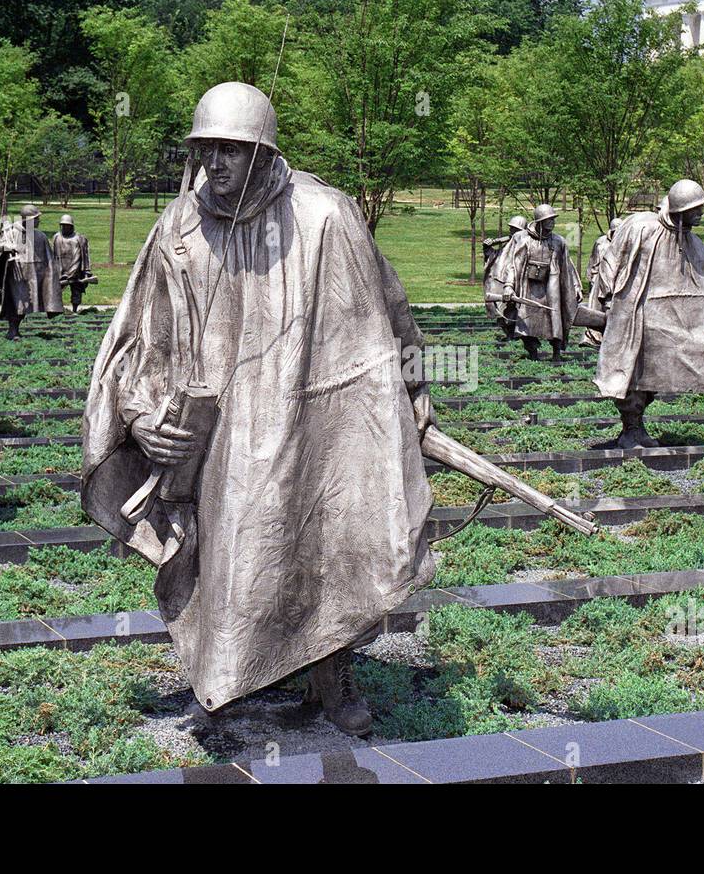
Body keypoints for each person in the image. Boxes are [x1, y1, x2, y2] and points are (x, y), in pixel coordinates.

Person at [81, 82, 437, 736]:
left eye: (231, 150)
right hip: (218, 434)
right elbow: (142, 334)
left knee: (325, 540)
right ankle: (219, 681)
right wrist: (137, 414)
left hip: (314, 415)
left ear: (264, 152)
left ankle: (332, 677)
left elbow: (390, 308)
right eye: (206, 149)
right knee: (224, 554)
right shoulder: (179, 228)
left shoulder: (324, 215)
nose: (215, 163)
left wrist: (413, 392)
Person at [595, 180, 704, 449]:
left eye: (702, 209)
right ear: (680, 210)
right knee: (633, 374)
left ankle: (636, 428)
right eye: (695, 210)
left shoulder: (692, 242)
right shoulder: (641, 227)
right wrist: (607, 298)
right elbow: (611, 261)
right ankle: (631, 429)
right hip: (637, 314)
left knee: (657, 374)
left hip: (670, 321)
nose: (700, 215)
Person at [492, 203, 581, 361]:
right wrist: (508, 286)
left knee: (556, 317)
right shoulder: (522, 239)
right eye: (548, 220)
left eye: (553, 219)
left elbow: (568, 266)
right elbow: (514, 265)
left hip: (551, 283)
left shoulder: (558, 241)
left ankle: (556, 353)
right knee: (525, 320)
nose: (552, 222)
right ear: (539, 221)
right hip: (527, 284)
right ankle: (533, 352)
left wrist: (575, 286)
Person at [0, 202, 63, 338]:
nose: (39, 221)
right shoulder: (11, 233)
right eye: (36, 218)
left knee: (26, 304)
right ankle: (13, 330)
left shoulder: (40, 236)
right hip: (16, 274)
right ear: (29, 220)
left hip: (34, 275)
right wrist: (4, 247)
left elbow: (49, 260)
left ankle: (14, 330)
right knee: (18, 302)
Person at [483, 215, 527, 341]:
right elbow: (495, 258)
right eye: (511, 229)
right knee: (500, 311)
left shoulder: (524, 246)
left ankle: (518, 335)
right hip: (501, 282)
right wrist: (487, 249)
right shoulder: (507, 246)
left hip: (517, 285)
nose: (512, 232)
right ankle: (509, 335)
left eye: (516, 230)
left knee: (514, 311)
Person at [581, 216, 623, 346]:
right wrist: (592, 278)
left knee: (614, 310)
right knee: (597, 309)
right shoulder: (601, 243)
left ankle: (613, 339)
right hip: (600, 280)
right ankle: (594, 337)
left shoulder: (626, 243)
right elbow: (593, 262)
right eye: (615, 231)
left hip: (618, 281)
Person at [53, 214, 94, 313]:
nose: (65, 227)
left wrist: (84, 271)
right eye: (63, 225)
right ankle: (57, 310)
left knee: (76, 291)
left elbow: (83, 255)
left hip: (76, 271)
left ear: (71, 226)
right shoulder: (57, 237)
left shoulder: (79, 238)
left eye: (67, 225)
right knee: (55, 291)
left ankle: (75, 310)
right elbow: (54, 255)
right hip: (60, 270)